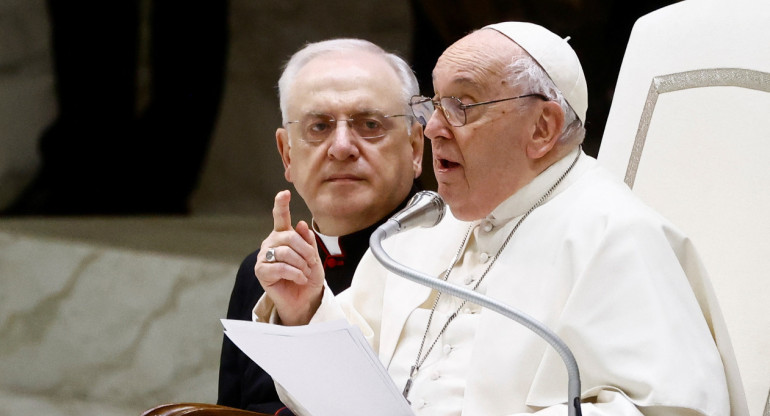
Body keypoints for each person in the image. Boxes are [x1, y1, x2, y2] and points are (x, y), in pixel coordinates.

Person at [252, 22, 746, 415]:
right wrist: (307, 308)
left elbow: (662, 409)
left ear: (543, 127)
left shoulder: (615, 235)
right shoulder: (418, 234)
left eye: (461, 106)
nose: (434, 129)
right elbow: (342, 397)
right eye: (434, 104)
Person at [217, 38, 425, 414]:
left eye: (370, 124)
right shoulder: (262, 270)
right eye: (318, 127)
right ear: (287, 154)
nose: (341, 146)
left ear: (415, 148)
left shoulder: (450, 265)